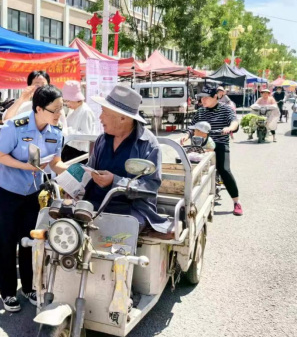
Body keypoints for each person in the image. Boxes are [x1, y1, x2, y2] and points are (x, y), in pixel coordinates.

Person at [0, 85, 69, 312]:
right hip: (9, 191)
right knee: (7, 243)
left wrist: (76, 175)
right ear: (38, 109)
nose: (59, 114)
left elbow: (55, 162)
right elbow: (1, 155)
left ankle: (29, 287)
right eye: (54, 110)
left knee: (32, 241)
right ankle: (7, 292)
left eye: (61, 109)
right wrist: (25, 166)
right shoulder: (14, 127)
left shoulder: (56, 133)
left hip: (33, 193)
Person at [85, 85, 171, 234]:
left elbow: (151, 185)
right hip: (96, 204)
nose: (100, 117)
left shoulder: (148, 143)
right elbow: (89, 169)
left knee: (120, 233)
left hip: (131, 209)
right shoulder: (102, 140)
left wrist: (115, 181)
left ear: (123, 117)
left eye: (104, 112)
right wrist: (73, 186)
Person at [183, 84, 242, 216]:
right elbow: (192, 128)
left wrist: (230, 128)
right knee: (190, 167)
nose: (202, 101)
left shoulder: (226, 109)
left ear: (216, 96)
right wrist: (186, 136)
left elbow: (234, 122)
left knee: (224, 170)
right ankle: (188, 200)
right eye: (201, 98)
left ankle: (236, 202)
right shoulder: (200, 112)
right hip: (201, 145)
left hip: (220, 143)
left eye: (206, 98)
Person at [2, 70, 67, 129]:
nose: (41, 89)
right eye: (37, 86)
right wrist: (21, 100)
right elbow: (6, 120)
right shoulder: (23, 106)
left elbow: (63, 131)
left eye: (44, 85)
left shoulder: (56, 109)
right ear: (29, 87)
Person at [61, 80, 96, 162]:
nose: (67, 104)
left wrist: (67, 130)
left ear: (77, 99)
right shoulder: (73, 110)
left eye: (68, 100)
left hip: (79, 153)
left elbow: (87, 136)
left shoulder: (86, 111)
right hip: (69, 149)